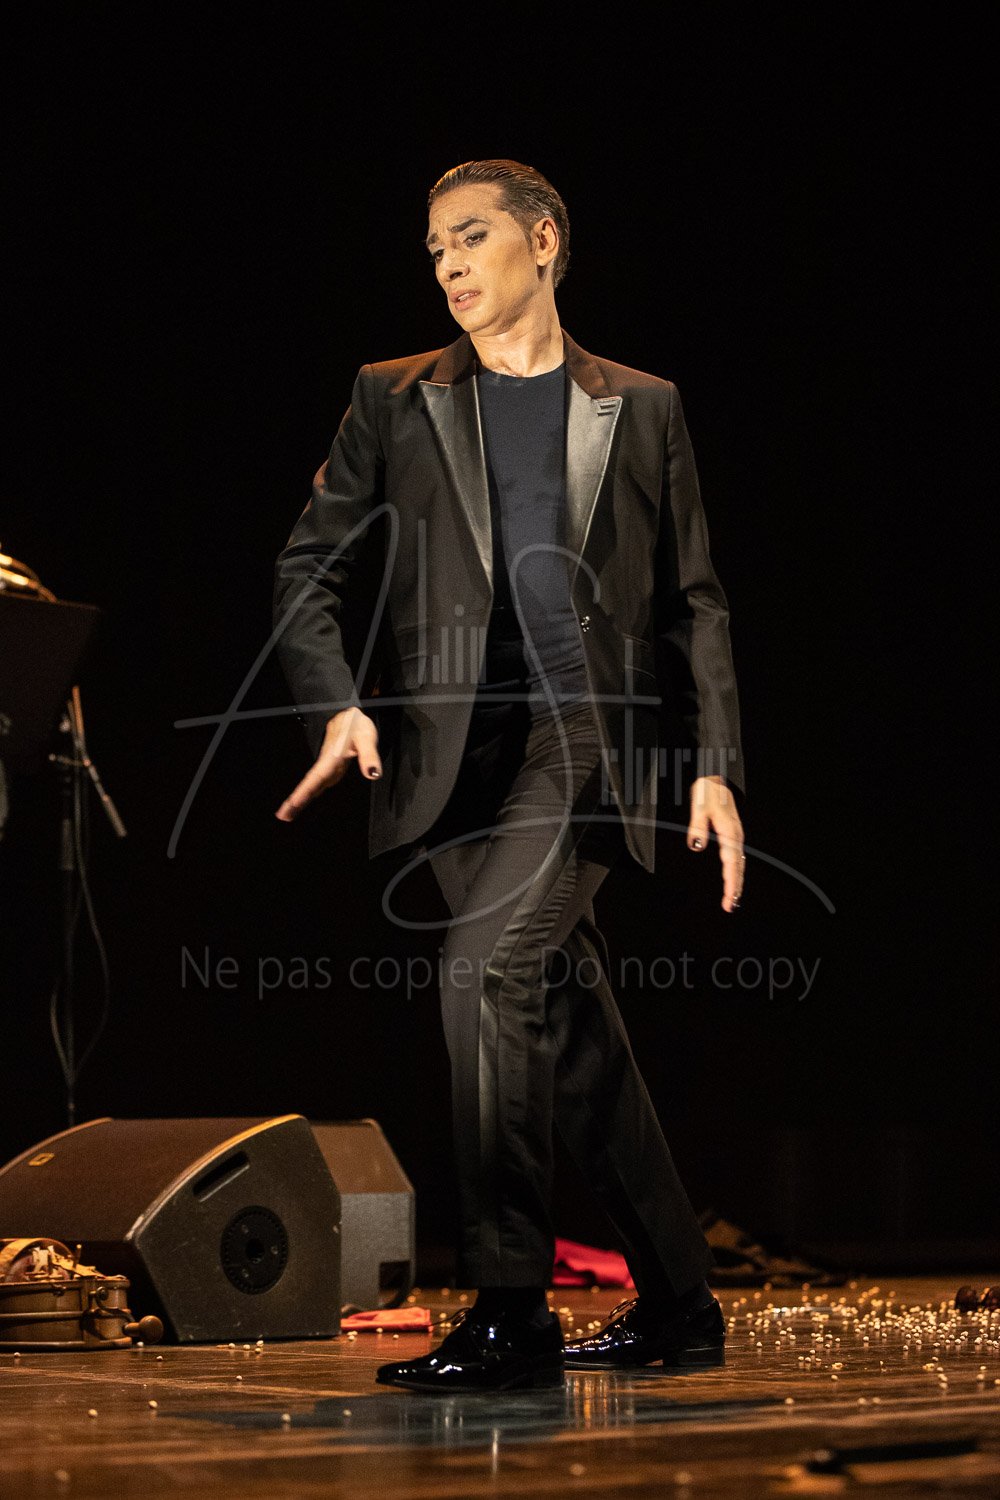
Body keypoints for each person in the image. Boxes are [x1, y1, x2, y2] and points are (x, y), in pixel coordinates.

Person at [273, 159, 746, 1392]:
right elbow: (309, 566)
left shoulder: (640, 406)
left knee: (484, 977)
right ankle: (681, 1306)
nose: (446, 265)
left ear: (541, 241)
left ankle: (509, 1307)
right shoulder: (394, 396)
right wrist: (336, 703)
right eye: (433, 248)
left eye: (470, 237)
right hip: (449, 759)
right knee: (568, 1031)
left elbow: (693, 601)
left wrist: (714, 765)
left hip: (586, 742)